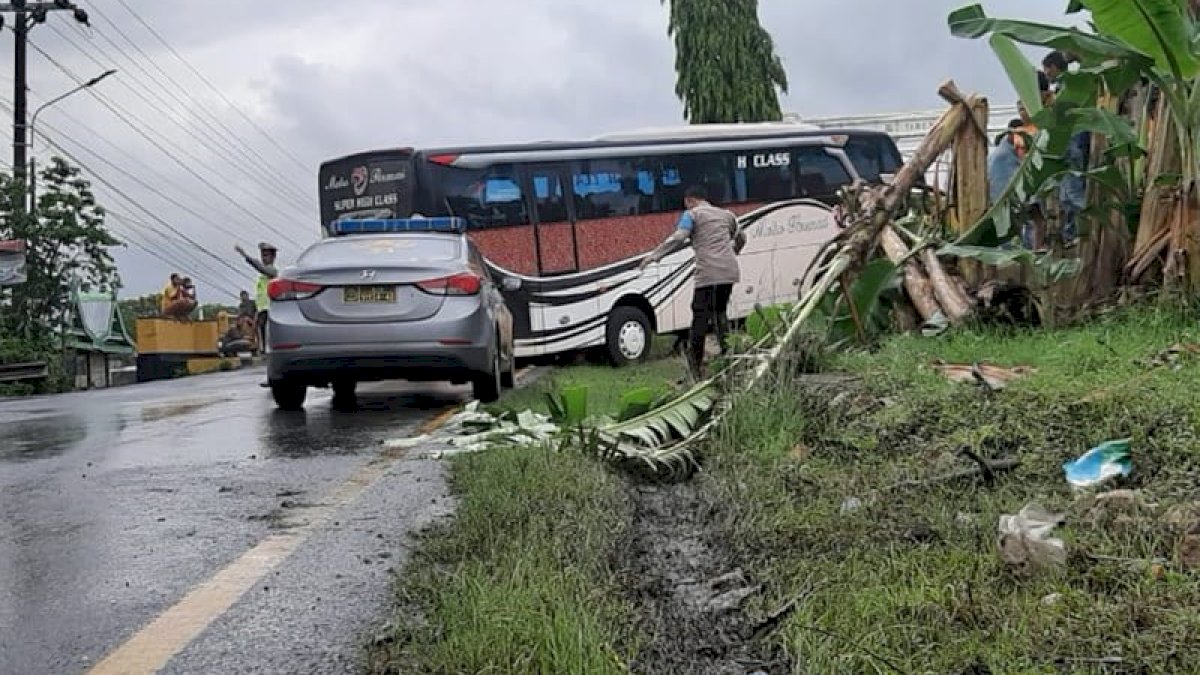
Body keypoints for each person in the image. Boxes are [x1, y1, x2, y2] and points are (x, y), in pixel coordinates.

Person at [638, 185, 745, 379]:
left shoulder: (691, 215)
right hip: (729, 271)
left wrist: (655, 256)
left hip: (708, 274)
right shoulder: (726, 214)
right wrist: (734, 251)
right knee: (720, 313)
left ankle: (695, 368)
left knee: (700, 319)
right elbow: (741, 237)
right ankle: (731, 359)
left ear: (689, 200)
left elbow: (679, 236)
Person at [235, 241, 278, 353]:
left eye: (266, 255)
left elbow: (260, 267)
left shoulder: (272, 271)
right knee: (261, 330)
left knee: (268, 332)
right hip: (262, 309)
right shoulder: (262, 277)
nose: (264, 258)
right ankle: (263, 351)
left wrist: (245, 256)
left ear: (273, 257)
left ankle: (268, 351)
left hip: (271, 308)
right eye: (262, 255)